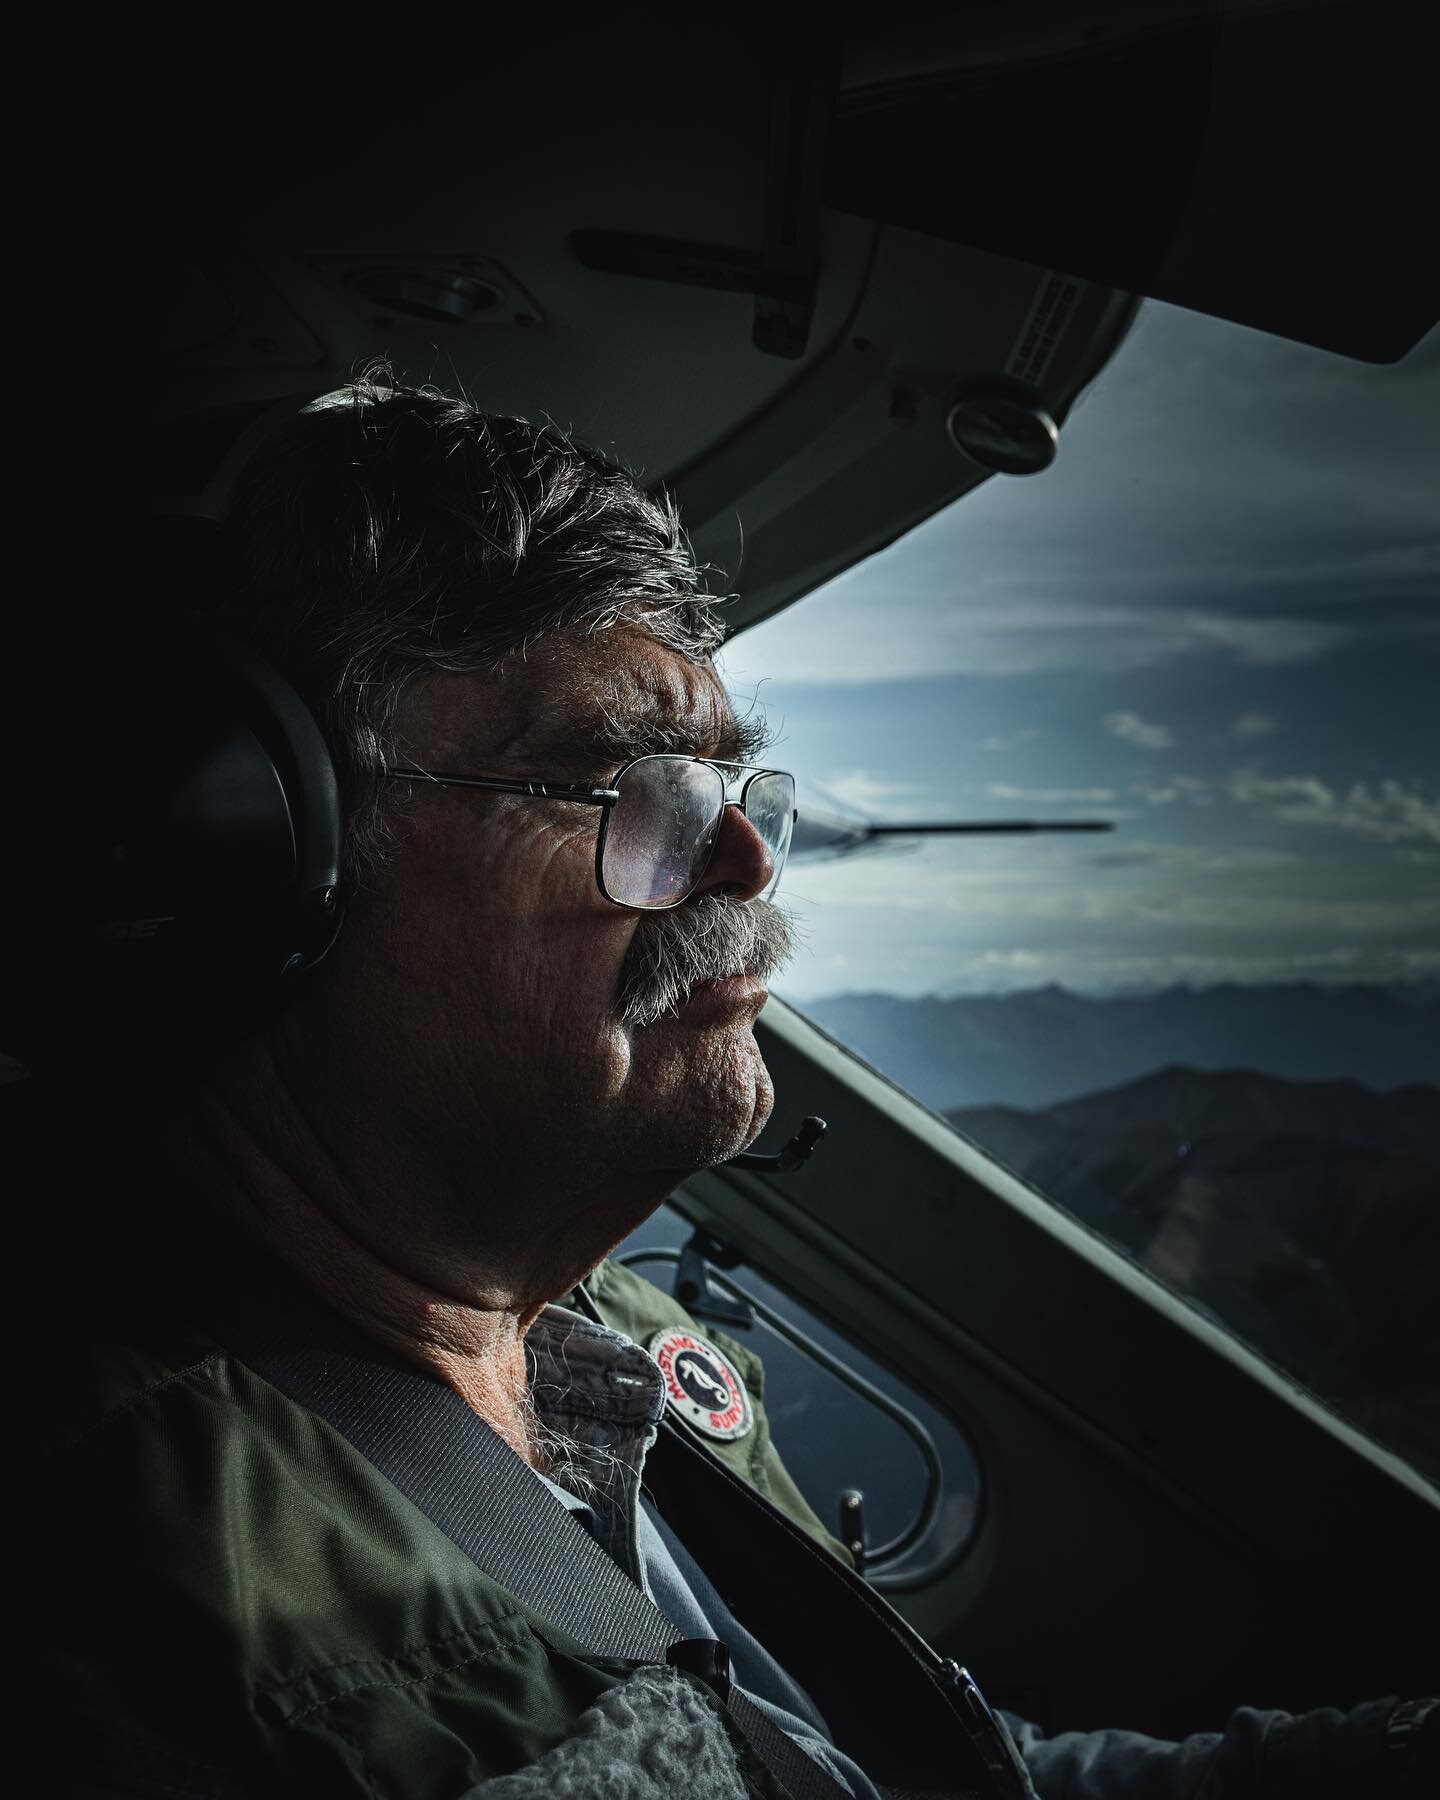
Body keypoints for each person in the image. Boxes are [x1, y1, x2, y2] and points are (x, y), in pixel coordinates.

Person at [35, 372, 1432, 1798]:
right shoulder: (106, 1572)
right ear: (253, 860)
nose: (747, 862)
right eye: (619, 785)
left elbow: (921, 1773)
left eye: (721, 786)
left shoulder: (630, 1362)